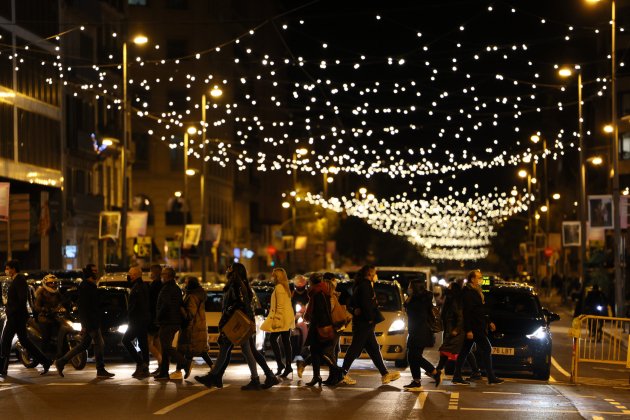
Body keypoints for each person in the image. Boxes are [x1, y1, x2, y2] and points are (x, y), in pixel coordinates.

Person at [195, 263, 277, 390]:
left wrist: (225, 319)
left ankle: (214, 376)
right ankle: (217, 377)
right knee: (243, 350)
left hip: (235, 324)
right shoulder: (242, 284)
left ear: (234, 271)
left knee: (227, 349)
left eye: (230, 268)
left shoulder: (236, 285)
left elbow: (236, 305)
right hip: (239, 323)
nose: (227, 270)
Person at [332, 265, 400, 386]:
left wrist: (356, 311)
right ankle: (342, 374)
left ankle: (385, 374)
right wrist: (369, 319)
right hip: (364, 323)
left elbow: (352, 304)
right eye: (375, 273)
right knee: (355, 349)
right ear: (369, 274)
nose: (376, 275)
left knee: (373, 349)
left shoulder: (361, 285)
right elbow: (366, 305)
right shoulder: (365, 286)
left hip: (363, 323)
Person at [55, 264, 114, 379]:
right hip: (91, 322)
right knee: (99, 344)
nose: (96, 273)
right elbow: (84, 308)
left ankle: (61, 362)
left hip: (93, 321)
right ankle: (100, 369)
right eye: (94, 271)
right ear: (89, 272)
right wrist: (85, 324)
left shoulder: (91, 286)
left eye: (97, 270)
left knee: (83, 345)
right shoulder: (86, 286)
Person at [451, 269, 503, 385]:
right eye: (479, 277)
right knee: (487, 349)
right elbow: (468, 312)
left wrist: (489, 322)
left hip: (478, 325)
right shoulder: (468, 293)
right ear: (473, 279)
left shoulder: (477, 291)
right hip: (475, 327)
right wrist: (469, 329)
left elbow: (481, 310)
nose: (481, 279)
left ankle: (457, 376)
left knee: (464, 351)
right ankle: (491, 377)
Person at [0, 260, 52, 376]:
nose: (6, 271)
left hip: (16, 317)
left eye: (8, 268)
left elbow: (22, 300)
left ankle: (2, 368)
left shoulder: (19, 280)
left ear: (13, 269)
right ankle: (45, 361)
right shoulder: (16, 280)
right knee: (24, 341)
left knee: (5, 340)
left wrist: (10, 310)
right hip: (17, 316)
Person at [435, 281, 481, 381]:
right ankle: (475, 371)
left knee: (446, 349)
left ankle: (438, 370)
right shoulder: (449, 299)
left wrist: (456, 329)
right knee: (462, 350)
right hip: (451, 330)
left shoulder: (455, 301)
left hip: (456, 331)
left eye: (449, 286)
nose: (447, 288)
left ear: (454, 289)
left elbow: (460, 316)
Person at [303, 273, 342, 387]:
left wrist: (312, 320)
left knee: (319, 351)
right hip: (320, 325)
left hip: (319, 326)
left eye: (309, 282)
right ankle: (317, 376)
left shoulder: (317, 292)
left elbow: (320, 311)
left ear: (312, 282)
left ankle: (336, 370)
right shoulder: (322, 291)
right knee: (315, 351)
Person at [403, 279, 441, 389]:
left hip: (420, 332)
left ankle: (434, 372)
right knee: (412, 356)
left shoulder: (420, 300)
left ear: (414, 288)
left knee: (415, 356)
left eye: (410, 286)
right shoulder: (415, 298)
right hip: (416, 331)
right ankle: (416, 381)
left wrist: (409, 300)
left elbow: (412, 311)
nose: (408, 288)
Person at [154, 266, 190, 380]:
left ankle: (184, 362)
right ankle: (164, 372)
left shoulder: (167, 289)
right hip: (174, 321)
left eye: (163, 274)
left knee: (166, 346)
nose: (161, 276)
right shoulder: (175, 288)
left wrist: (158, 318)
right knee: (165, 348)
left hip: (168, 321)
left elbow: (164, 305)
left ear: (167, 276)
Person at [260, 268, 295, 377]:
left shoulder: (279, 287)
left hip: (282, 319)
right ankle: (287, 366)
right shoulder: (285, 287)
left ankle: (281, 365)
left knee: (273, 339)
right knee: (286, 341)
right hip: (287, 318)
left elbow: (279, 306)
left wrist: (277, 319)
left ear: (277, 277)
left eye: (273, 275)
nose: (272, 277)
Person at [176, 276, 213, 372]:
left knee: (183, 349)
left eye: (186, 282)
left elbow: (190, 314)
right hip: (197, 327)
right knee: (197, 350)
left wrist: (180, 308)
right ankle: (213, 367)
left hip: (191, 328)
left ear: (190, 284)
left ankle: (179, 371)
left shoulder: (192, 296)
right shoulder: (197, 294)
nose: (184, 284)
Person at [122, 266, 150, 378]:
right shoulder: (142, 286)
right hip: (142, 320)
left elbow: (135, 306)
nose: (128, 276)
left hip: (137, 321)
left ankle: (140, 363)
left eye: (129, 274)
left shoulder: (137, 287)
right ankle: (144, 368)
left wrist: (130, 317)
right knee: (144, 345)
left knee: (125, 340)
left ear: (134, 275)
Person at [34, 274, 65, 358]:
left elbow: (63, 302)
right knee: (46, 336)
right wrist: (44, 309)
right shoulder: (41, 293)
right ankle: (43, 355)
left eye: (55, 283)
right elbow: (36, 307)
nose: (53, 284)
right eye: (51, 283)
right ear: (45, 284)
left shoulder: (57, 293)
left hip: (56, 317)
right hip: (44, 318)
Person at [147, 264, 163, 375]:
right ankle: (160, 366)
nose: (149, 274)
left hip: (153, 318)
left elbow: (152, 303)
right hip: (157, 318)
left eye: (151, 271)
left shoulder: (155, 286)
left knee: (148, 343)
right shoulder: (160, 285)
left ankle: (161, 360)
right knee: (157, 342)